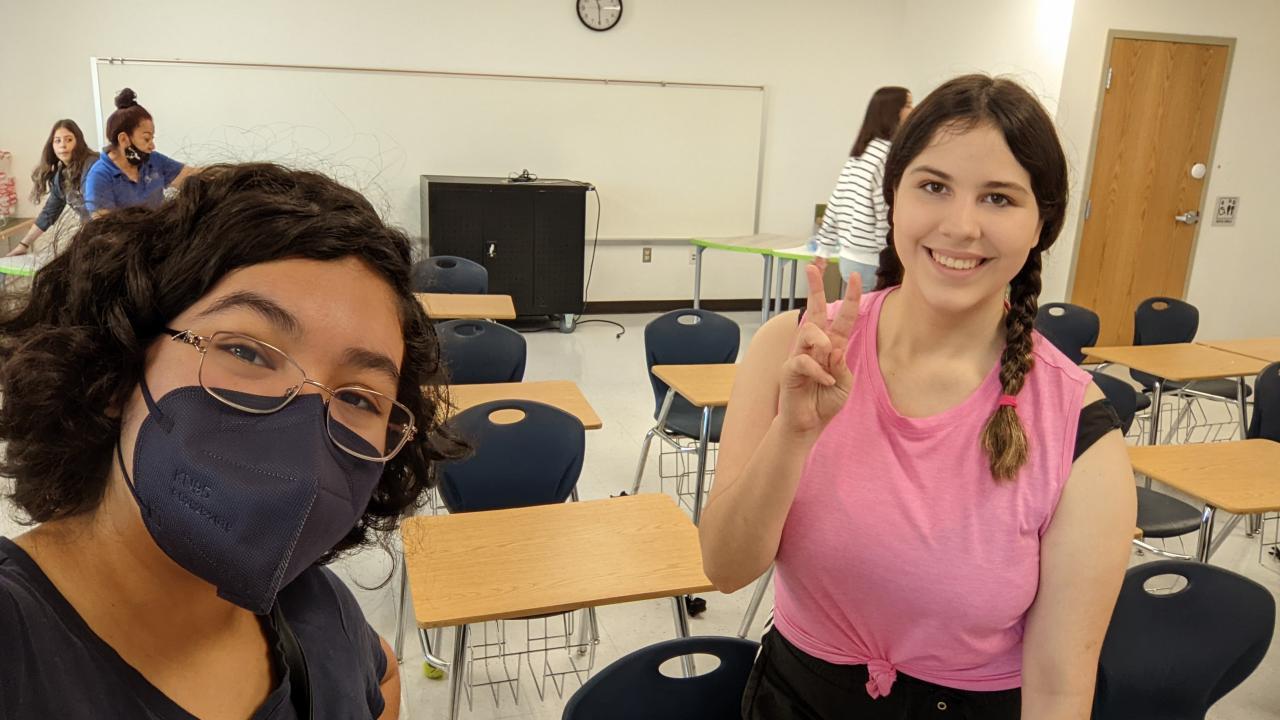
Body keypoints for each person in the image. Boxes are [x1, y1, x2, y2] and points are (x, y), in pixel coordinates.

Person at [701, 75, 1135, 719]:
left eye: (998, 198)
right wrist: (792, 436)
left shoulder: (1079, 429)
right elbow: (726, 568)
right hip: (794, 700)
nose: (961, 226)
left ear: (1042, 223)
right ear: (894, 199)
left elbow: (1059, 686)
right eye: (934, 187)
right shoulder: (787, 352)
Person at [0, 163, 464, 718]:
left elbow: (382, 674)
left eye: (360, 398)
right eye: (246, 352)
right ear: (117, 365)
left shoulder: (318, 608)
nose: (302, 431)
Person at [813, 86, 913, 292]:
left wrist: (824, 249)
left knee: (857, 310)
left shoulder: (861, 152)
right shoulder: (886, 156)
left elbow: (836, 201)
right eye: (909, 105)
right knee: (874, 312)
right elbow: (885, 210)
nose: (914, 110)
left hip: (849, 258)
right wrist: (893, 258)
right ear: (893, 111)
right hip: (872, 262)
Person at [83, 88, 199, 216]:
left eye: (152, 139)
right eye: (146, 139)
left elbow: (192, 176)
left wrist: (216, 174)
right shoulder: (99, 177)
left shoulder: (154, 160)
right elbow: (104, 225)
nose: (152, 146)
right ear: (123, 139)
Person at [6, 119, 94, 257]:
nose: (63, 145)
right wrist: (23, 245)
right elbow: (48, 213)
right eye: (57, 141)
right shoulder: (61, 177)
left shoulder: (93, 165)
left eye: (69, 140)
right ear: (52, 145)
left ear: (79, 142)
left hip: (114, 231)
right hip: (94, 234)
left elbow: (101, 208)